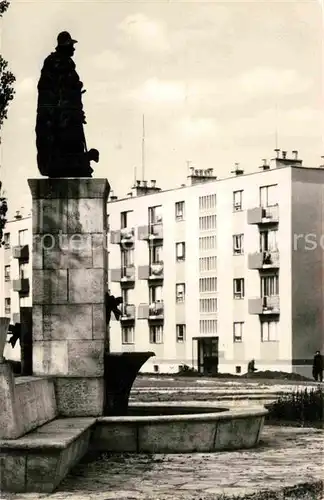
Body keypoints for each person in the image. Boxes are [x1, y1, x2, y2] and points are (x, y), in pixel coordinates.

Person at [35, 31, 99, 177]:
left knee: (74, 143)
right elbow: (54, 93)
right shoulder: (56, 63)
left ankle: (80, 163)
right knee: (68, 144)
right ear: (65, 46)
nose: (74, 49)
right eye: (71, 45)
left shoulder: (66, 64)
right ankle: (77, 163)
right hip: (62, 117)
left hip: (69, 115)